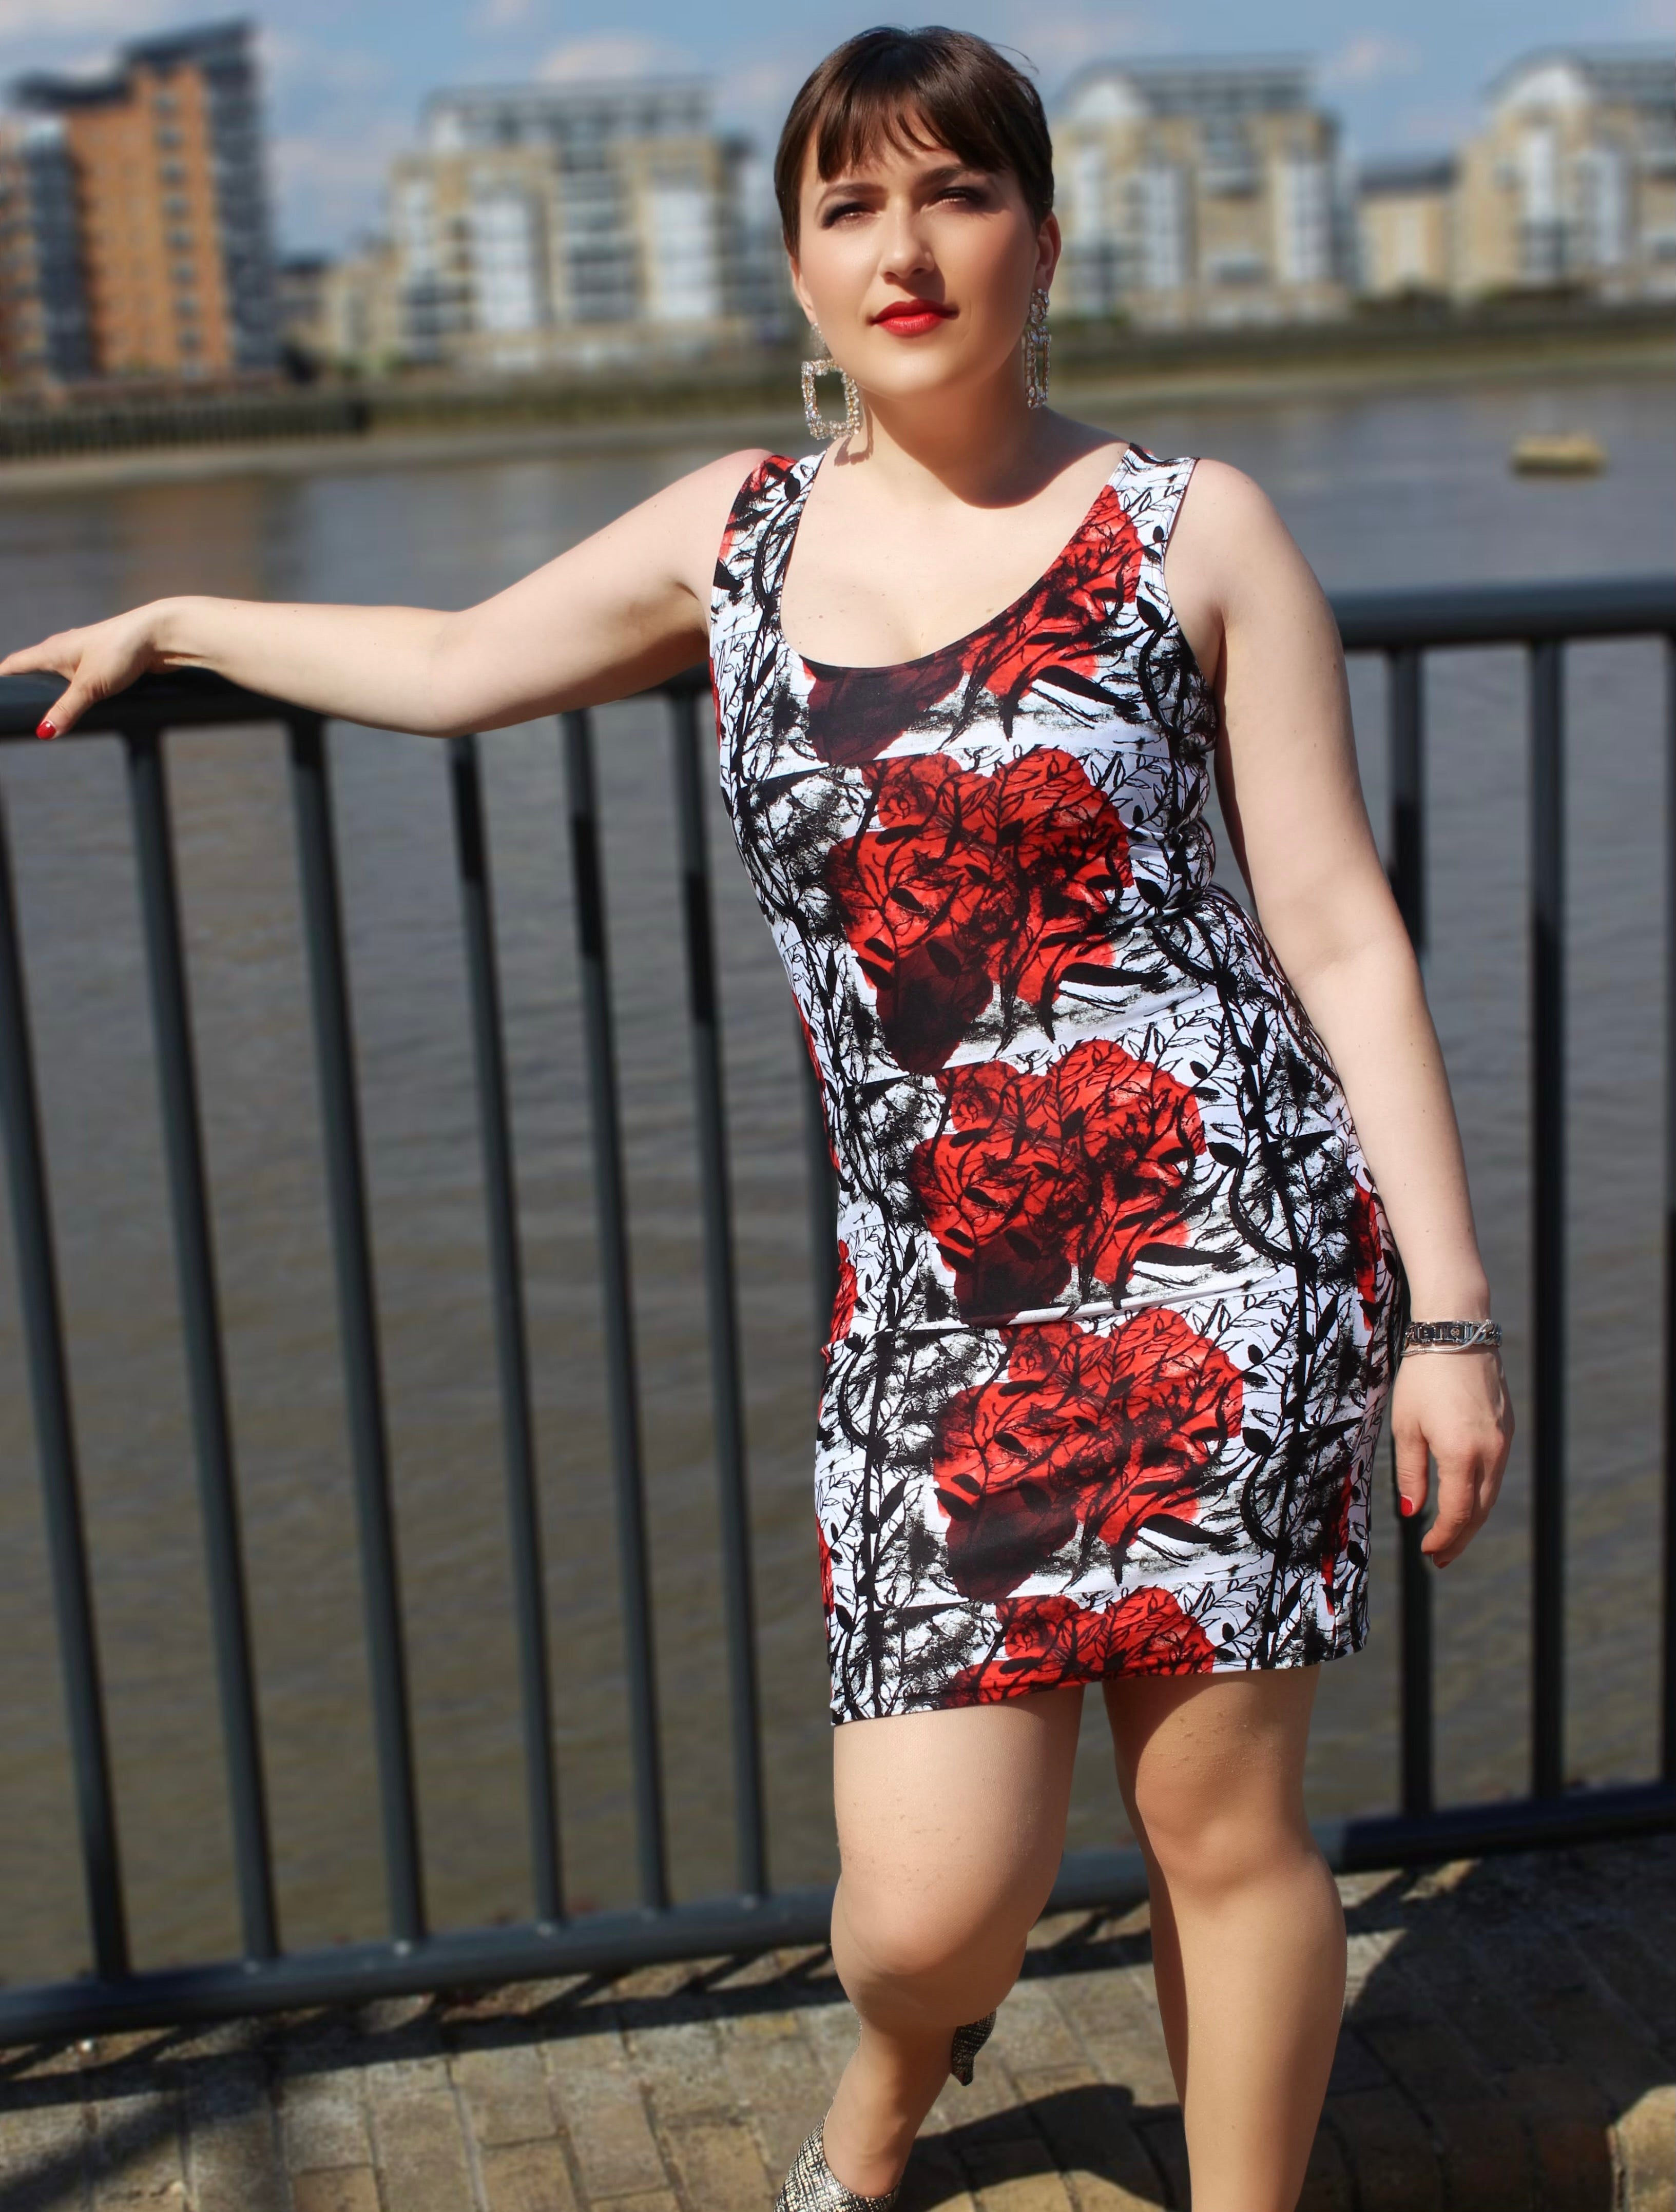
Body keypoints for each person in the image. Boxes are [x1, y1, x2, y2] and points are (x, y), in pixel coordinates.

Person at [3, 26, 1513, 2212]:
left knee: (1223, 1836)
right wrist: (172, 616)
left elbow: (1341, 928)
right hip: (930, 1306)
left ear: (1041, 236)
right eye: (846, 205)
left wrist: (1442, 1317)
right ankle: (891, 2083)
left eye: (954, 193)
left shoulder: (1192, 529)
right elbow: (442, 662)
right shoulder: (737, 534)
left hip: (1227, 1255)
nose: (903, 248)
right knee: (922, 1907)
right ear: (797, 271)